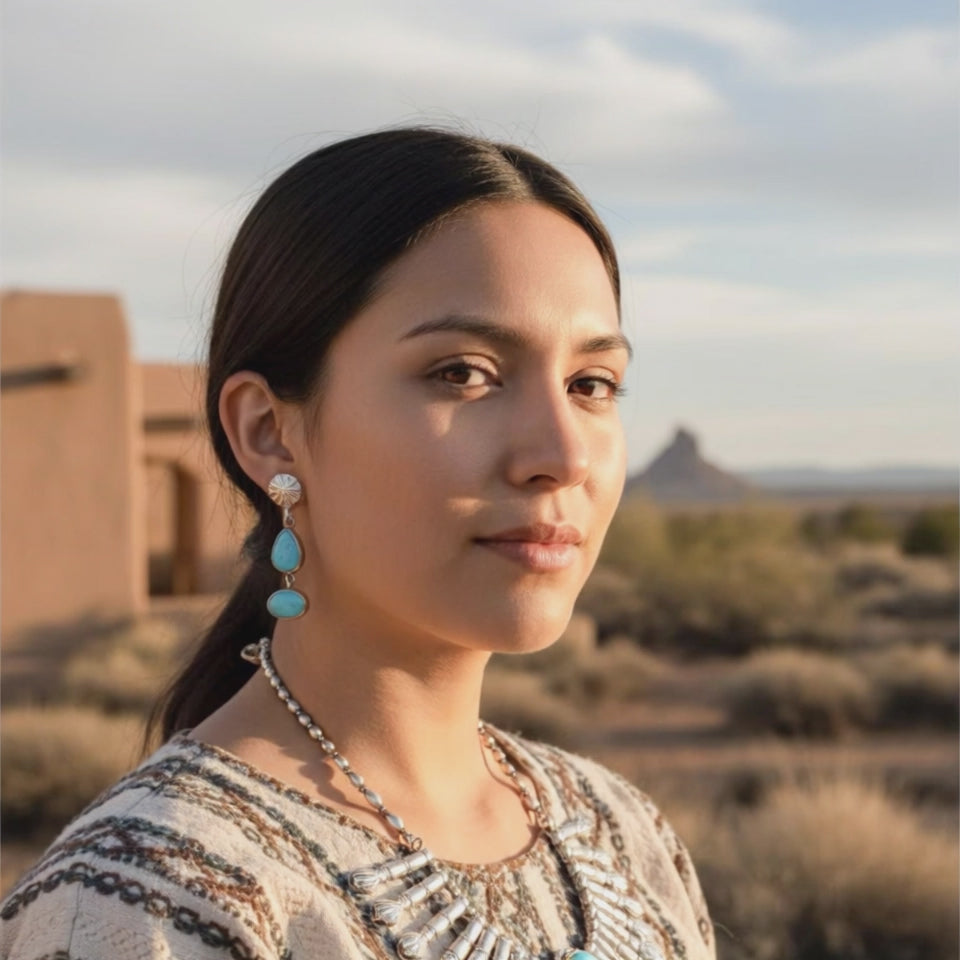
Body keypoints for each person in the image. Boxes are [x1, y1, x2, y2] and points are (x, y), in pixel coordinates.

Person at [1, 127, 715, 960]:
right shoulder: (144, 902)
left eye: (592, 384)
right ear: (269, 432)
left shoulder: (623, 835)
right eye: (463, 373)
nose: (561, 457)